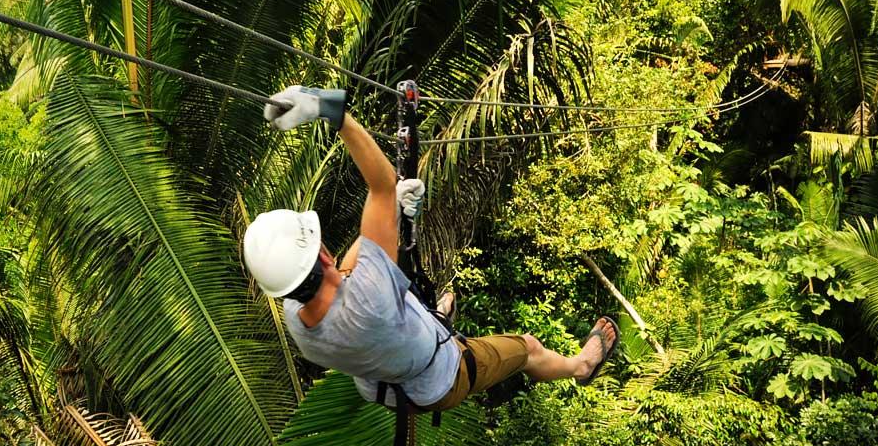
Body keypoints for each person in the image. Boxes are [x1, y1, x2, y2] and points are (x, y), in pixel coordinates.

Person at [241, 85, 619, 411]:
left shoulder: (298, 321)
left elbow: (347, 270)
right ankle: (579, 368)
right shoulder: (369, 297)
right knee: (529, 348)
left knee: (401, 303)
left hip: (386, 387)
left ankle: (429, 319)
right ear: (323, 254)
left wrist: (391, 215)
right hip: (442, 378)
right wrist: (332, 111)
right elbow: (381, 187)